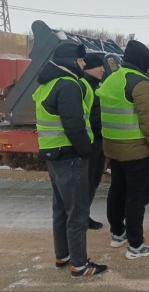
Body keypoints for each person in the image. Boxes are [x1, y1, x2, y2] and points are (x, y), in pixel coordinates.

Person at [32, 42, 107, 277]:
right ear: (71, 61)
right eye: (81, 60)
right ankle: (80, 265)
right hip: (70, 155)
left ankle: (62, 255)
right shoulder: (68, 85)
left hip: (53, 153)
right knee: (77, 213)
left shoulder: (49, 84)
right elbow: (74, 125)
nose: (84, 64)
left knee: (61, 209)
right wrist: (87, 151)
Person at [96, 40, 149, 260]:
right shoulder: (140, 83)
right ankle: (136, 245)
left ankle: (118, 233)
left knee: (117, 191)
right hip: (137, 151)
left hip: (114, 149)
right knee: (136, 199)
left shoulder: (111, 79)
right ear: (141, 62)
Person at [79, 54, 106, 230]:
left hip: (98, 141)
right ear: (88, 68)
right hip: (89, 143)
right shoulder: (82, 86)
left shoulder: (97, 85)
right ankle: (80, 219)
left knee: (93, 180)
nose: (103, 69)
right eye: (99, 66)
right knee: (85, 182)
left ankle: (83, 216)